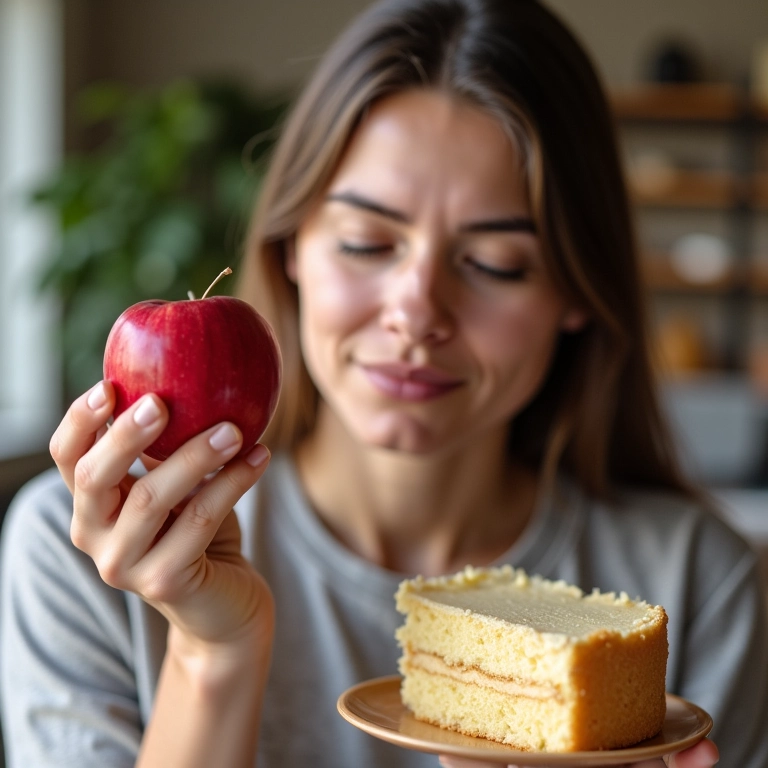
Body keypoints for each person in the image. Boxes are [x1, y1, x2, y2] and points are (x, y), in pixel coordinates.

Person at [1, 0, 765, 766]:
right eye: (367, 243)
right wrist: (212, 652)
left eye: (494, 263)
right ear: (291, 249)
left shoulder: (699, 588)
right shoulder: (82, 558)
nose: (416, 313)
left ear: (575, 291)